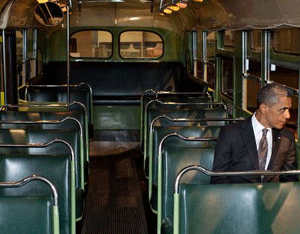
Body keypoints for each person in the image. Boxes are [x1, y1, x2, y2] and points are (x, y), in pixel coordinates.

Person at [211, 83, 298, 183]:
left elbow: (290, 179)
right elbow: (218, 178)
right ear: (264, 108)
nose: (288, 115)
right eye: (283, 110)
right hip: (238, 196)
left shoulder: (287, 137)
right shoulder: (231, 133)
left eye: (288, 109)